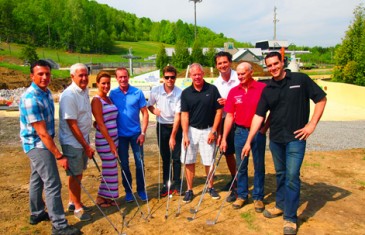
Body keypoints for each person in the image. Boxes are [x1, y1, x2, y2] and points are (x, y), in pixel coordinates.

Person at [242, 51, 327, 235]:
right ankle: (280, 205)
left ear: (282, 62)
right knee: (280, 174)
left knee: (291, 176)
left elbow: (321, 99)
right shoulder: (268, 89)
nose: (273, 68)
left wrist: (311, 125)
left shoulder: (300, 80)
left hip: (296, 139)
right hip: (276, 140)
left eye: (276, 63)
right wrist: (249, 141)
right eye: (269, 65)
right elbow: (259, 115)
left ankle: (290, 217)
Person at [19, 60, 80, 235]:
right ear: (32, 76)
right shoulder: (30, 99)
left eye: (47, 73)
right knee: (53, 183)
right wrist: (59, 155)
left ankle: (37, 213)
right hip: (37, 144)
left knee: (37, 178)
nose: (45, 77)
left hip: (43, 142)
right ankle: (59, 225)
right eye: (40, 74)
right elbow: (42, 133)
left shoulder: (45, 93)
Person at [220, 62, 267, 212]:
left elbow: (273, 109)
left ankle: (258, 197)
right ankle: (242, 195)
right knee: (241, 166)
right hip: (239, 132)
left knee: (259, 165)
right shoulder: (234, 91)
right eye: (238, 74)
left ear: (251, 72)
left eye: (243, 74)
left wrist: (265, 128)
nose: (240, 77)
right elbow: (229, 116)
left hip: (258, 133)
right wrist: (224, 138)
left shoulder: (262, 89)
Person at [180, 63, 223, 203]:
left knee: (209, 161)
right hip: (191, 131)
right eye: (194, 75)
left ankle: (210, 187)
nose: (197, 77)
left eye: (199, 74)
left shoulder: (212, 89)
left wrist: (214, 131)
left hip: (208, 130)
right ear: (190, 76)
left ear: (203, 74)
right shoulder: (186, 93)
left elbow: (219, 111)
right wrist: (185, 135)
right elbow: (184, 115)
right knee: (189, 160)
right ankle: (189, 189)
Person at [59, 63, 95, 222]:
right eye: (80, 75)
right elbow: (72, 124)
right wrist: (86, 146)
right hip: (73, 142)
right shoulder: (69, 95)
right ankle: (78, 208)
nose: (84, 78)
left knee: (76, 173)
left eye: (86, 74)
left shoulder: (84, 91)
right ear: (72, 76)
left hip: (82, 140)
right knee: (76, 174)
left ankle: (72, 202)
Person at [110, 67, 149, 203]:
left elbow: (145, 113)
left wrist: (143, 133)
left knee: (139, 163)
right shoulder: (112, 94)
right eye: (120, 77)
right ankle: (128, 191)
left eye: (125, 76)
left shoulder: (137, 92)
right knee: (124, 165)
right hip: (120, 136)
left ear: (128, 77)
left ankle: (141, 189)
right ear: (116, 78)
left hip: (136, 135)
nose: (123, 79)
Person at [148, 65, 183, 197]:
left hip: (175, 126)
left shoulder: (180, 93)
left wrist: (173, 136)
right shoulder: (156, 91)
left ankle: (177, 183)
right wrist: (154, 110)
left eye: (172, 77)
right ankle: (166, 184)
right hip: (161, 127)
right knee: (165, 157)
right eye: (167, 77)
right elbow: (149, 105)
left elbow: (178, 115)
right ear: (163, 78)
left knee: (176, 157)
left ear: (175, 78)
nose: (170, 80)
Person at [213, 51, 240, 200]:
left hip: (241, 120)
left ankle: (240, 184)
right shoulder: (216, 84)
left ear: (230, 62)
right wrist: (218, 132)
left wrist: (229, 102)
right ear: (216, 66)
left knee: (242, 153)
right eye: (219, 63)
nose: (223, 65)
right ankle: (235, 179)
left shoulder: (240, 78)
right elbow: (217, 109)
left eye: (225, 62)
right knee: (228, 152)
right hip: (225, 121)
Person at [91, 71, 119, 207]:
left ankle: (108, 197)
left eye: (108, 83)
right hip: (105, 140)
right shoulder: (97, 100)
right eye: (103, 83)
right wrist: (111, 143)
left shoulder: (109, 98)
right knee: (109, 167)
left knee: (112, 168)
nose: (106, 86)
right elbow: (100, 123)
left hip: (114, 138)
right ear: (97, 84)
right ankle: (100, 197)